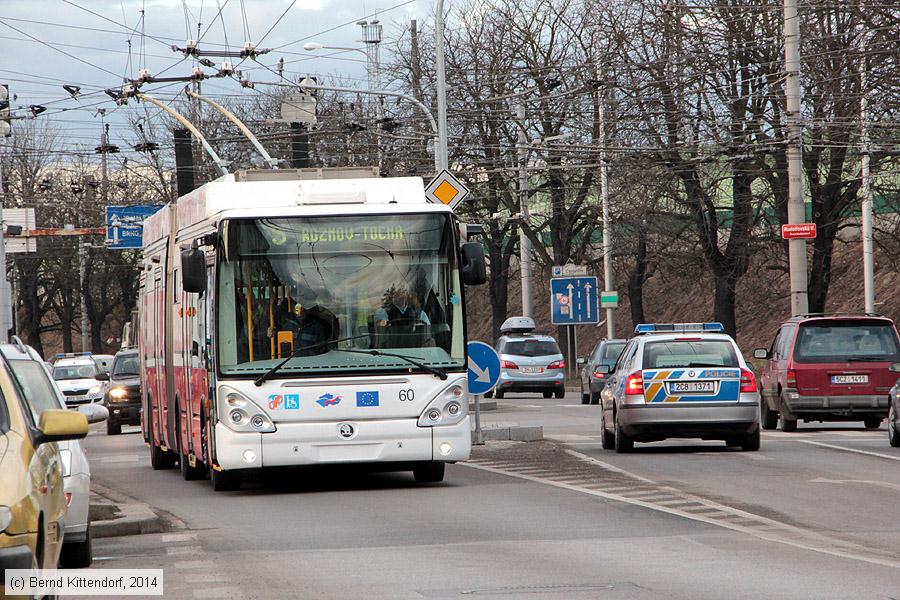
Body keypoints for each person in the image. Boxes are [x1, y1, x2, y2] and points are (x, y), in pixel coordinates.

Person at [268, 287, 338, 356]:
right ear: (292, 307)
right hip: (284, 362)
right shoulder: (285, 320)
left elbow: (321, 351)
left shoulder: (318, 326)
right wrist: (272, 333)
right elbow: (272, 342)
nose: (300, 311)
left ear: (308, 307)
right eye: (297, 307)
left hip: (309, 362)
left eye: (303, 306)